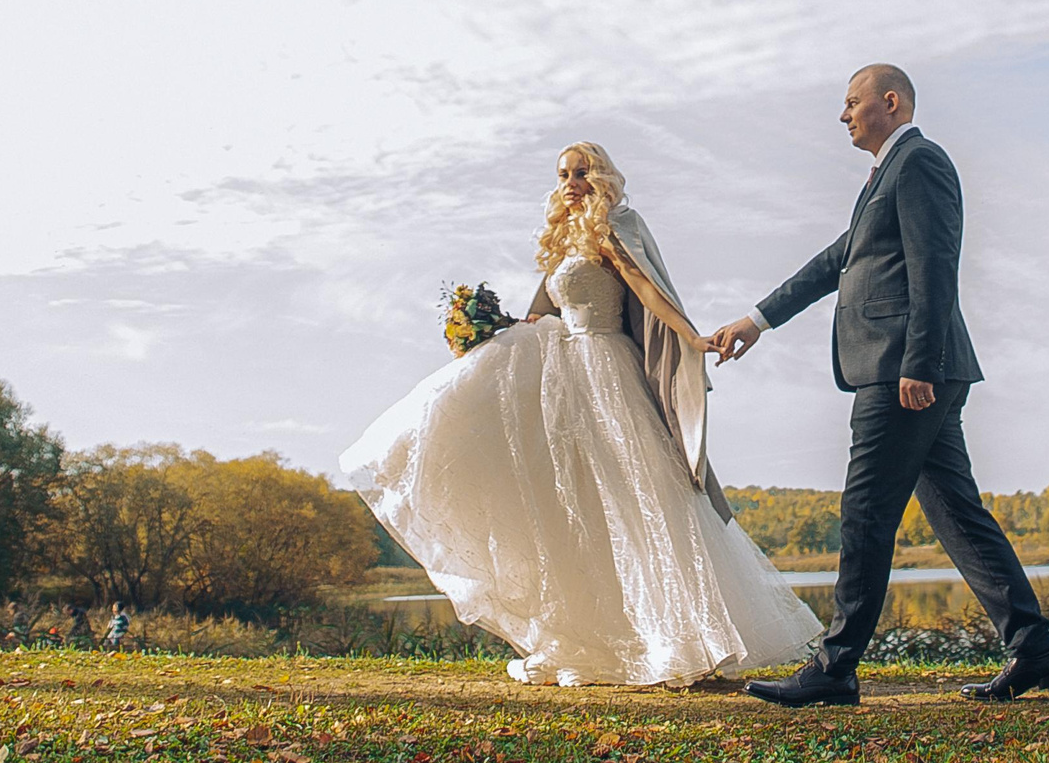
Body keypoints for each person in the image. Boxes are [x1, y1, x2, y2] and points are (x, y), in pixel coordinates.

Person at [340, 142, 822, 686]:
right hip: (561, 378)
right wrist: (483, 325)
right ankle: (600, 640)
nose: (571, 182)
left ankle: (688, 641)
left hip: (604, 369)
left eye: (582, 172)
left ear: (603, 175)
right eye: (564, 174)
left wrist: (691, 337)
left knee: (638, 499)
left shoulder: (613, 226)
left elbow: (646, 287)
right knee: (577, 508)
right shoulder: (565, 239)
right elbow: (540, 313)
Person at [710, 64, 1049, 706]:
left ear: (890, 101)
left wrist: (918, 364)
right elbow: (836, 261)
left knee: (866, 512)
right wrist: (758, 319)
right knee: (959, 515)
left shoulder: (920, 162)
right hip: (905, 366)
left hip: (902, 368)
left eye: (851, 102)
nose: (843, 114)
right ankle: (1035, 650)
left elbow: (938, 265)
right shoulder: (884, 177)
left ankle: (836, 665)